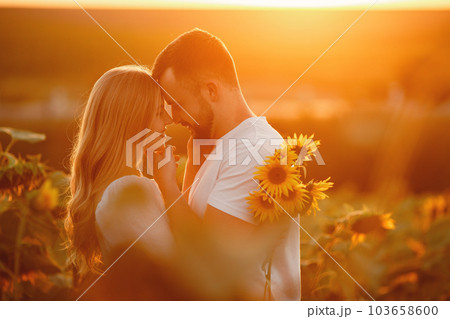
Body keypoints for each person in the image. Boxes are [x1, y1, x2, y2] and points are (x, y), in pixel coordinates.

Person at [151, 28, 300, 300]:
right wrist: (195, 162)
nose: (173, 117)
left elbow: (211, 263)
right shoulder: (223, 145)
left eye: (178, 104)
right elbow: (186, 234)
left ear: (211, 90)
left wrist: (166, 185)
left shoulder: (254, 150)